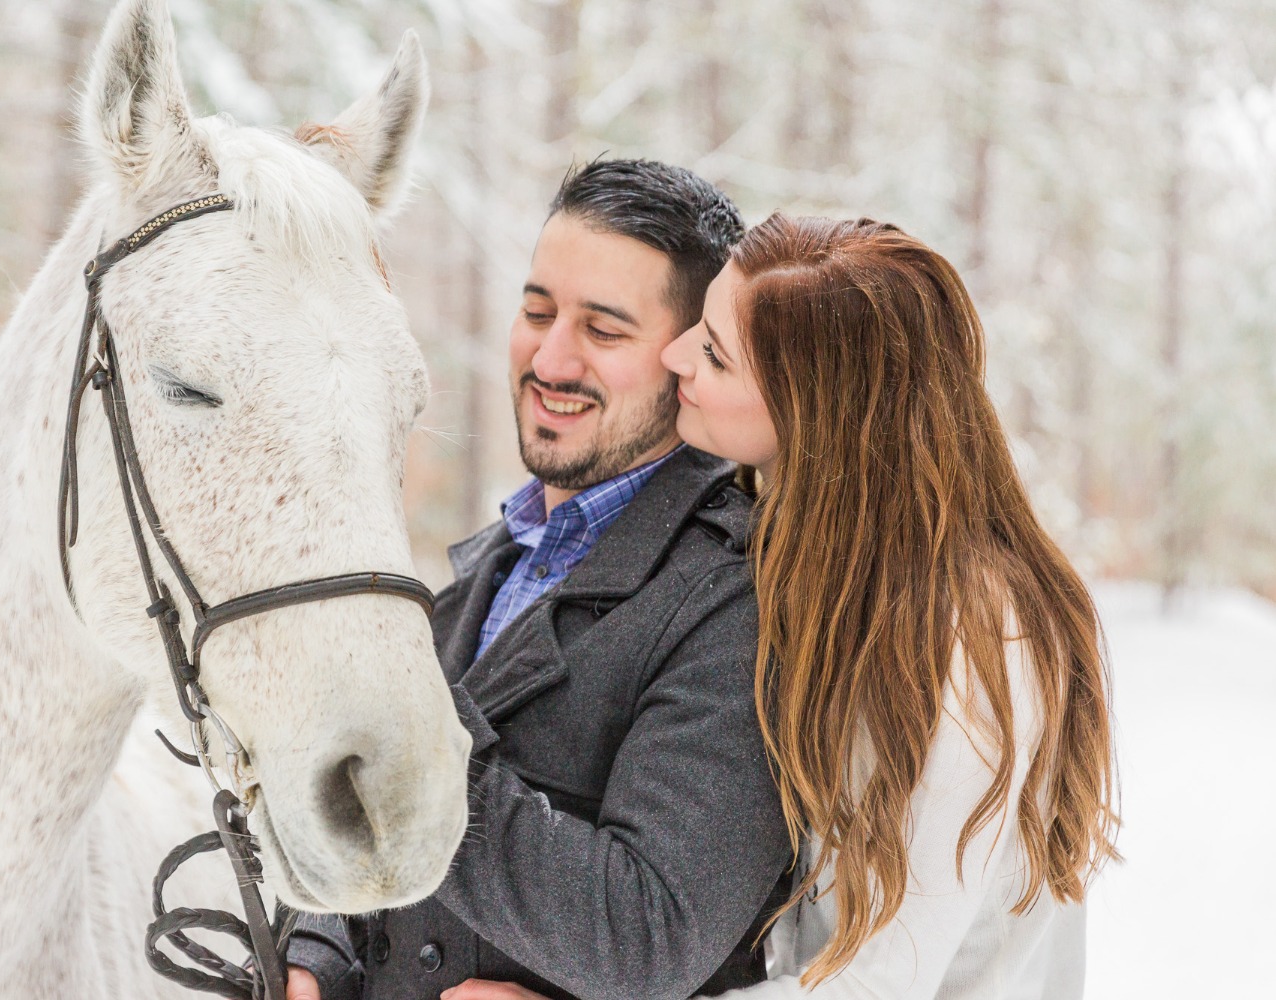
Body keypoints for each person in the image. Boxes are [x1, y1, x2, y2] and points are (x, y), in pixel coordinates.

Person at [284, 160, 795, 1000]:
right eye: (536, 311)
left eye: (603, 330)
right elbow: (351, 810)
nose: (549, 359)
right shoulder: (494, 562)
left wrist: (415, 736)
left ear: (684, 357)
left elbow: (650, 934)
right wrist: (317, 949)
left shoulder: (735, 598)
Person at [651, 212, 1121, 997]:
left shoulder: (975, 639)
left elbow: (880, 982)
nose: (675, 357)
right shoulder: (808, 547)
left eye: (713, 355)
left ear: (816, 416)